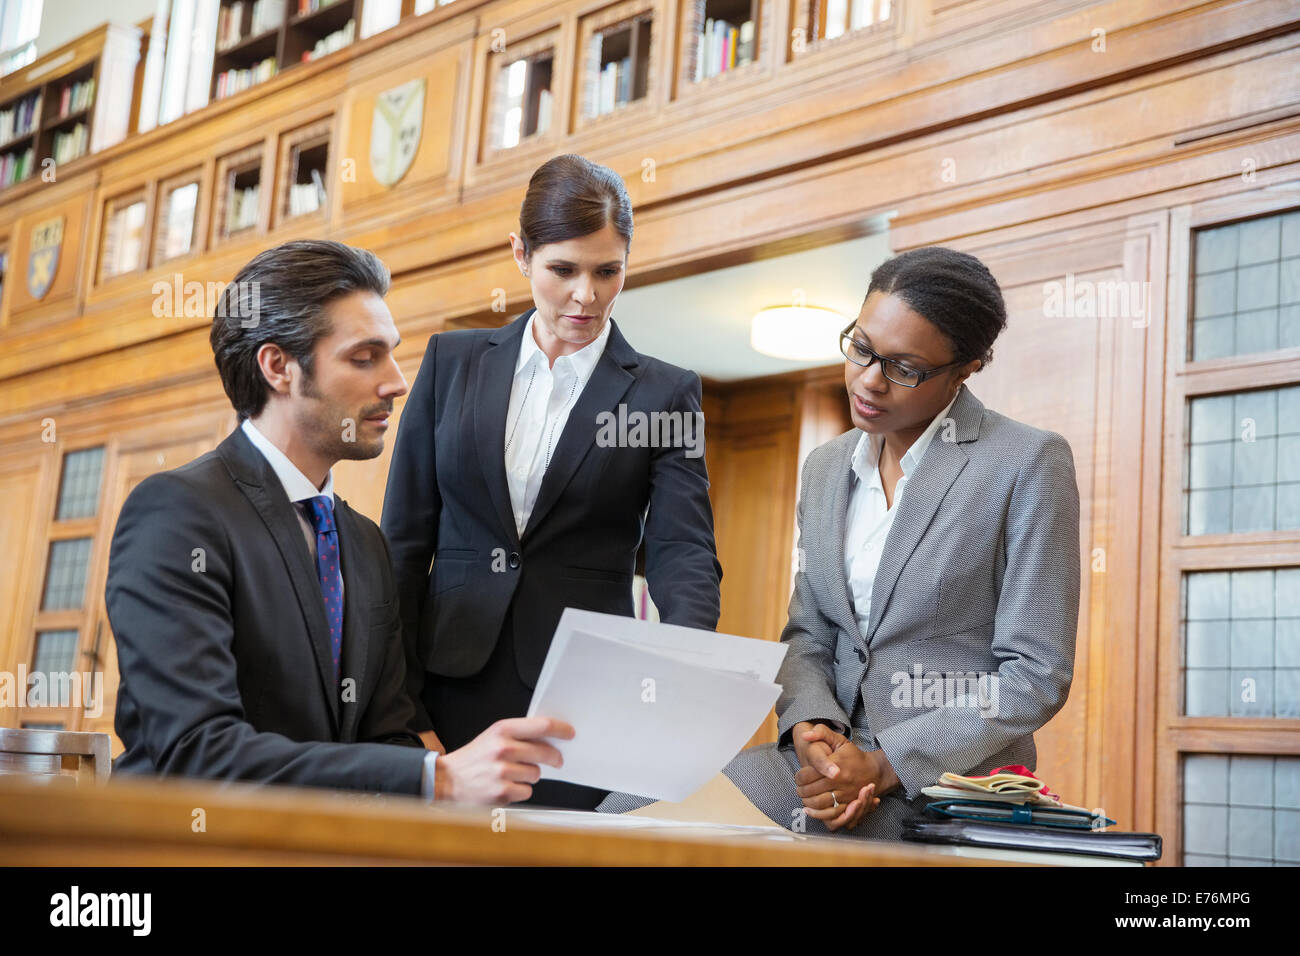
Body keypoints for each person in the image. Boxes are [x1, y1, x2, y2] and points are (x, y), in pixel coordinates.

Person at [600, 246, 1080, 838]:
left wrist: (882, 765)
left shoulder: (1025, 461)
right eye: (861, 348)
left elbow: (1035, 673)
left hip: (943, 785)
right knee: (620, 814)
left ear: (968, 367)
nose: (869, 381)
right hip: (817, 767)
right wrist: (810, 724)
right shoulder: (827, 467)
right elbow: (810, 631)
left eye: (904, 368)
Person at [107, 239, 572, 803]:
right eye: (364, 357)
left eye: (393, 354)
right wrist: (437, 778)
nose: (398, 382)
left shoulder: (363, 542)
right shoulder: (177, 513)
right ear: (278, 367)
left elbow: (386, 734)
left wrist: (480, 778)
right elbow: (199, 751)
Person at [381, 154, 723, 810]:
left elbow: (683, 550)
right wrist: (396, 705)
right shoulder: (451, 364)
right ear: (521, 254)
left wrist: (689, 664)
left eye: (607, 271)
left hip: (580, 699)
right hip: (444, 684)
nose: (585, 295)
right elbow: (403, 542)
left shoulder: (665, 394)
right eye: (563, 269)